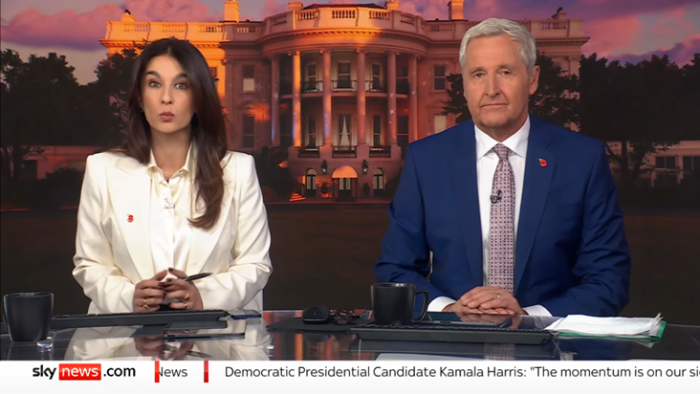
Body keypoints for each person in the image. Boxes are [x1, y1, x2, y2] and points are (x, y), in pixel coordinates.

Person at [375, 18, 630, 318]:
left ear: (532, 79)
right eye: (478, 74)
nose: (491, 89)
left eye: (505, 72)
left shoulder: (582, 159)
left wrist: (527, 316)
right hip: (452, 349)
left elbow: (608, 280)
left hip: (551, 348)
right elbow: (396, 269)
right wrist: (450, 310)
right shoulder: (426, 159)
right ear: (465, 86)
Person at [73, 38, 272, 314]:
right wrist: (128, 297)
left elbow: (255, 264)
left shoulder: (237, 170)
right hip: (124, 340)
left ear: (199, 98)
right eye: (154, 84)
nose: (166, 97)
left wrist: (203, 297)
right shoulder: (103, 170)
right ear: (140, 98)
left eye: (181, 85)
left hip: (215, 343)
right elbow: (90, 264)